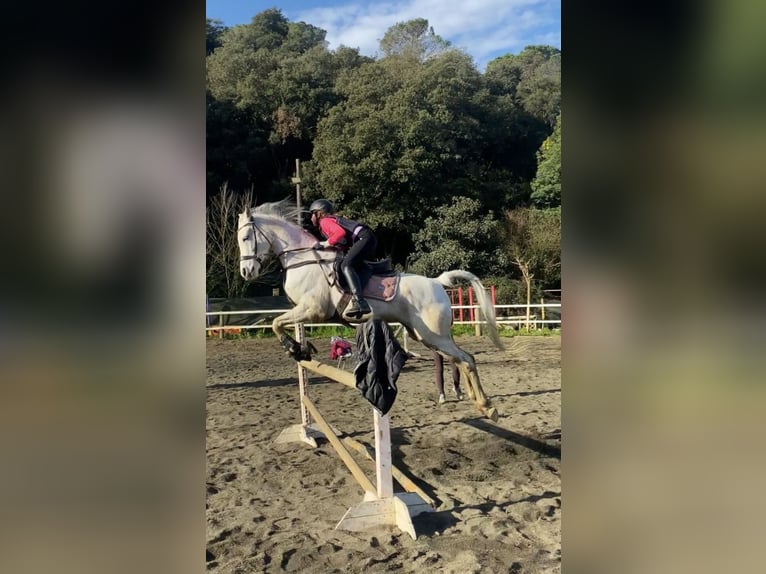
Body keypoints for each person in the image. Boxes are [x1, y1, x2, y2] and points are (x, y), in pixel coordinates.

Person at [309, 198, 377, 318]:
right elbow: (343, 243)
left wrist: (324, 244)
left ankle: (360, 302)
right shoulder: (329, 220)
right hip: (367, 237)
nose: (311, 218)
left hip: (364, 238)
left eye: (312, 214)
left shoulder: (324, 221)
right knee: (348, 263)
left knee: (346, 265)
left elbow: (340, 233)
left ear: (319, 213)